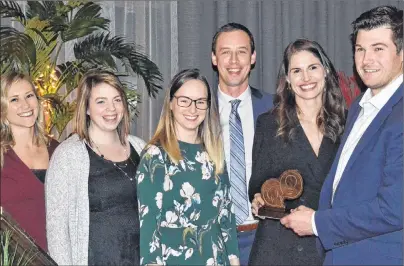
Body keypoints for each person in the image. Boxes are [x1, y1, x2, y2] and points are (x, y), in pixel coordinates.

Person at [280, 5, 403, 265]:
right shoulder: (359, 106)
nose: (367, 59)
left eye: (378, 49)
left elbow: (395, 209)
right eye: (360, 49)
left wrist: (316, 222)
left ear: (401, 53)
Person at [248, 38, 346, 265]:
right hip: (277, 250)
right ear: (288, 80)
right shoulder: (269, 124)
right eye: (297, 71)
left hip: (328, 249)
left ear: (326, 71)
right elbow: (258, 183)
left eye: (312, 67)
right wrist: (258, 198)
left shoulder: (349, 124)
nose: (306, 78)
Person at [136, 68, 240, 266]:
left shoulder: (214, 152)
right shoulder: (155, 156)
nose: (193, 109)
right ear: (171, 104)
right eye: (185, 101)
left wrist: (234, 261)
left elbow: (226, 215)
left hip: (216, 259)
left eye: (200, 102)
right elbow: (149, 226)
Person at [45, 70, 146, 265]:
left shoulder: (141, 148)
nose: (111, 109)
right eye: (101, 101)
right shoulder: (68, 155)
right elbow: (57, 229)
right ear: (87, 108)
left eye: (117, 100)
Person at [211, 22, 273, 265]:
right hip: (213, 240)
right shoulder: (196, 111)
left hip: (264, 236)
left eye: (242, 51)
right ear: (214, 58)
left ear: (253, 57)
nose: (234, 60)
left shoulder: (276, 108)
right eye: (226, 52)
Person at [0, 72, 59, 251]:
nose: (25, 105)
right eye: (15, 100)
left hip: (56, 257)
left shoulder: (59, 150)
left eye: (29, 96)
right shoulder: (2, 154)